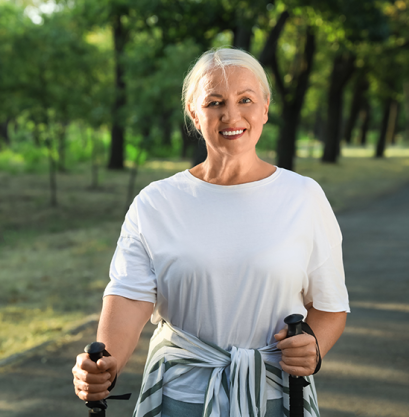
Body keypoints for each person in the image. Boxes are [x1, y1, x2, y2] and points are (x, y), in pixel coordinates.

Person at [72, 47, 349, 417]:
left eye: (245, 99)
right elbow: (128, 296)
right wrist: (107, 364)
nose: (231, 115)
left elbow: (330, 306)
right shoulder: (156, 202)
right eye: (214, 102)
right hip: (177, 398)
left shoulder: (304, 196)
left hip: (275, 398)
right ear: (194, 114)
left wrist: (312, 347)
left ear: (265, 107)